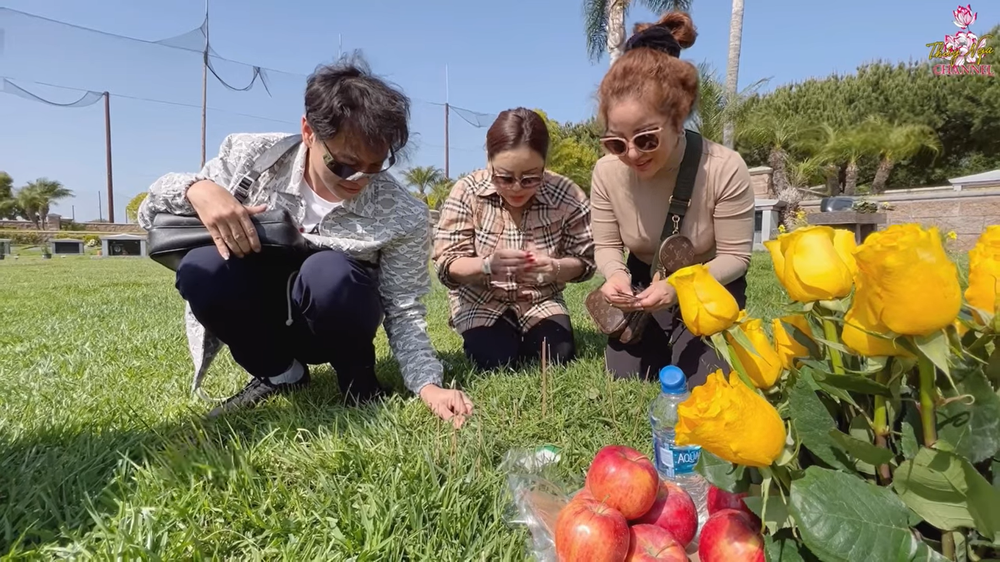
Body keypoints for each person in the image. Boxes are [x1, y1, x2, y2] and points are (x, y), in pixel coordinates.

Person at [137, 57, 474, 426]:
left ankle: (357, 380)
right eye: (344, 164)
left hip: (336, 318)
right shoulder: (253, 158)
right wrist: (198, 190)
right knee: (202, 268)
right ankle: (281, 374)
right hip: (256, 316)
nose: (359, 178)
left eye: (375, 166)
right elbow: (149, 215)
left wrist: (428, 385)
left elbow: (404, 307)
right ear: (309, 131)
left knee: (329, 271)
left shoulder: (402, 213)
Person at [590, 12, 755, 388]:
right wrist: (616, 274)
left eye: (646, 138)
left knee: (706, 380)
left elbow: (736, 257)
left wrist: (679, 288)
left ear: (678, 120)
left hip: (709, 284)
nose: (632, 154)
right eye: (616, 142)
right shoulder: (605, 172)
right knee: (629, 375)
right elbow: (607, 244)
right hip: (645, 282)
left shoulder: (724, 167)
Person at [432, 108, 596, 371]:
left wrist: (555, 268)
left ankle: (524, 329)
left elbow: (586, 262)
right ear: (489, 160)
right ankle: (487, 331)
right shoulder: (467, 191)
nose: (517, 188)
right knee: (493, 359)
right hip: (479, 298)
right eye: (505, 177)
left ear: (545, 163)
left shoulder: (566, 195)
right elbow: (446, 266)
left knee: (558, 356)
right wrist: (486, 265)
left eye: (531, 178)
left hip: (540, 298)